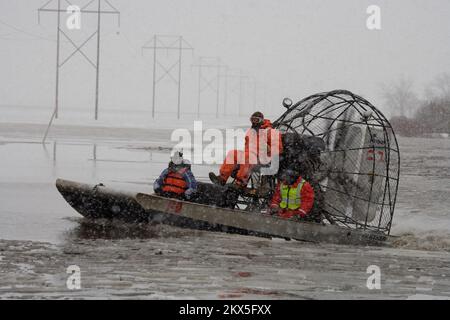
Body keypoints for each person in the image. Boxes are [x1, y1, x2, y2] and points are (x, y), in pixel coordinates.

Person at [209, 111, 283, 187]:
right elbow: (247, 146)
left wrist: (269, 149)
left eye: (256, 120)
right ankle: (222, 179)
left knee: (247, 157)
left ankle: (241, 182)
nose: (254, 122)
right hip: (250, 156)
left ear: (261, 120)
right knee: (232, 153)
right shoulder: (251, 132)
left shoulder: (271, 131)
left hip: (264, 159)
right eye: (252, 120)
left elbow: (279, 149)